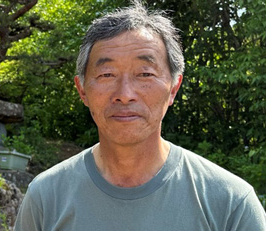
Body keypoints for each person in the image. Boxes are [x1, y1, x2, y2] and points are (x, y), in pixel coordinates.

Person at [14, 2, 266, 230]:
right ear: (82, 90)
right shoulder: (45, 197)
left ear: (173, 88)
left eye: (145, 74)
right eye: (106, 75)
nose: (125, 94)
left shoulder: (231, 203)